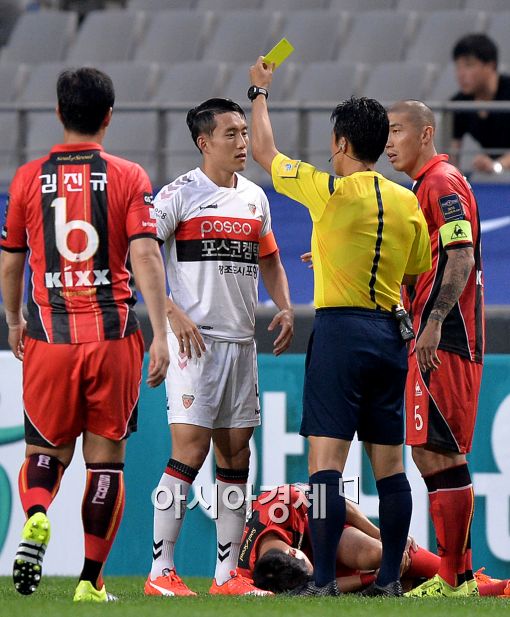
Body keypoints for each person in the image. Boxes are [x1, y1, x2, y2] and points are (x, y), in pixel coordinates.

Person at [248, 58, 431, 597]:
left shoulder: (327, 189)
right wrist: (335, 256)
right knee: (391, 467)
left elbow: (264, 153)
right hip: (388, 336)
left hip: (340, 335)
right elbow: (414, 266)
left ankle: (323, 579)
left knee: (326, 466)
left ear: (343, 143)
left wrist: (258, 90)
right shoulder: (407, 201)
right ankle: (393, 579)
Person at [0, 68, 169, 602]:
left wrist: (14, 321)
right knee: (106, 462)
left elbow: (10, 263)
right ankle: (89, 582)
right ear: (109, 116)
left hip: (49, 337)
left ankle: (36, 513)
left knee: (44, 449)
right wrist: (161, 332)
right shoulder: (127, 175)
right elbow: (144, 253)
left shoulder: (28, 178)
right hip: (113, 336)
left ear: (58, 113)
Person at [145, 97, 294, 597]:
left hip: (240, 343)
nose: (242, 142)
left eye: (243, 132)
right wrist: (169, 309)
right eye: (230, 134)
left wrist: (286, 306)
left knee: (237, 456)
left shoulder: (255, 197)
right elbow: (138, 253)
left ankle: (227, 576)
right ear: (203, 142)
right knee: (189, 450)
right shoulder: (177, 196)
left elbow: (270, 258)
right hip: (193, 344)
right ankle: (159, 572)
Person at [386, 100, 484, 597]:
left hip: (445, 338)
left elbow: (460, 255)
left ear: (426, 134)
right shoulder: (423, 188)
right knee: (438, 453)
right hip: (439, 336)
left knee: (431, 451)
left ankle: (452, 576)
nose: (388, 142)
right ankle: (460, 575)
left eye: (397, 130)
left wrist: (435, 321)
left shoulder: (442, 183)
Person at [238, 484, 441, 594]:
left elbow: (336, 503)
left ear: (293, 551)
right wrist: (374, 577)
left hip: (319, 534)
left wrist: (382, 535)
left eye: (310, 572)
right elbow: (307, 586)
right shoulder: (250, 574)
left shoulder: (285, 502)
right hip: (310, 556)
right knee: (318, 589)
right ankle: (407, 583)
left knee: (378, 553)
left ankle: (448, 573)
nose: (314, 574)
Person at [451, 33, 510, 175]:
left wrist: (497, 166)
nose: (461, 74)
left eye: (469, 65)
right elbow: (453, 151)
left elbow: (497, 167)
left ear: (490, 66)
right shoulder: (459, 104)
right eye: (458, 67)